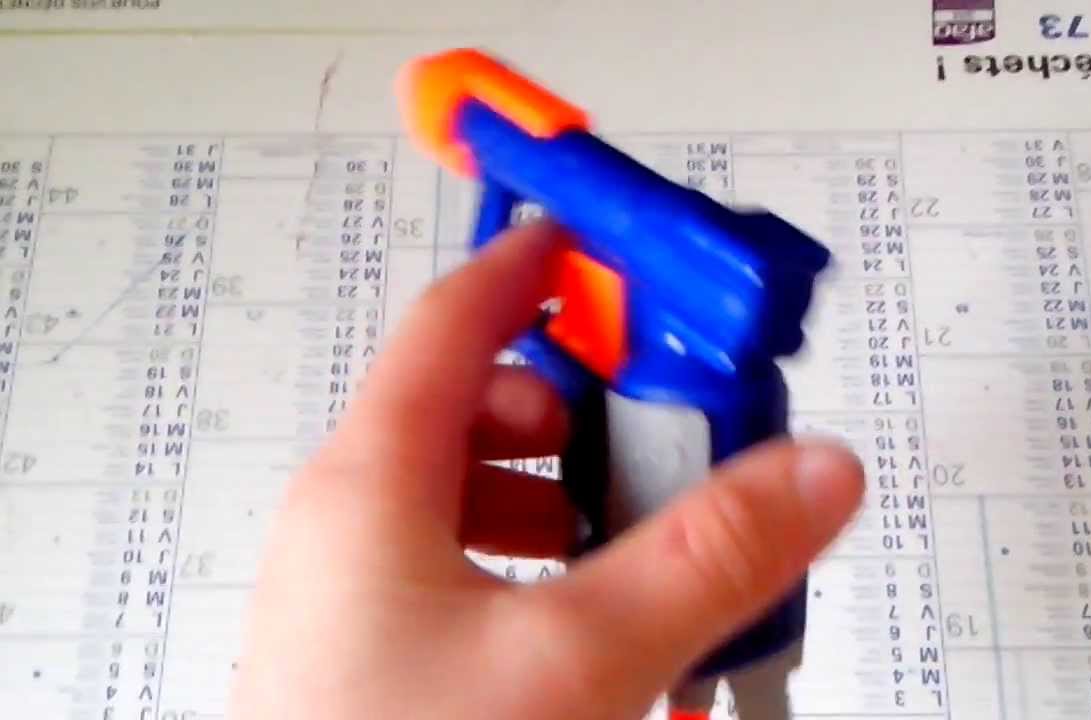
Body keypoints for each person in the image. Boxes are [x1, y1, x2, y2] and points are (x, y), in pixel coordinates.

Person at [226, 218, 867, 719]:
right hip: (711, 643)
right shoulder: (656, 386)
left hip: (758, 637)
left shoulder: (710, 388)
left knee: (753, 693)